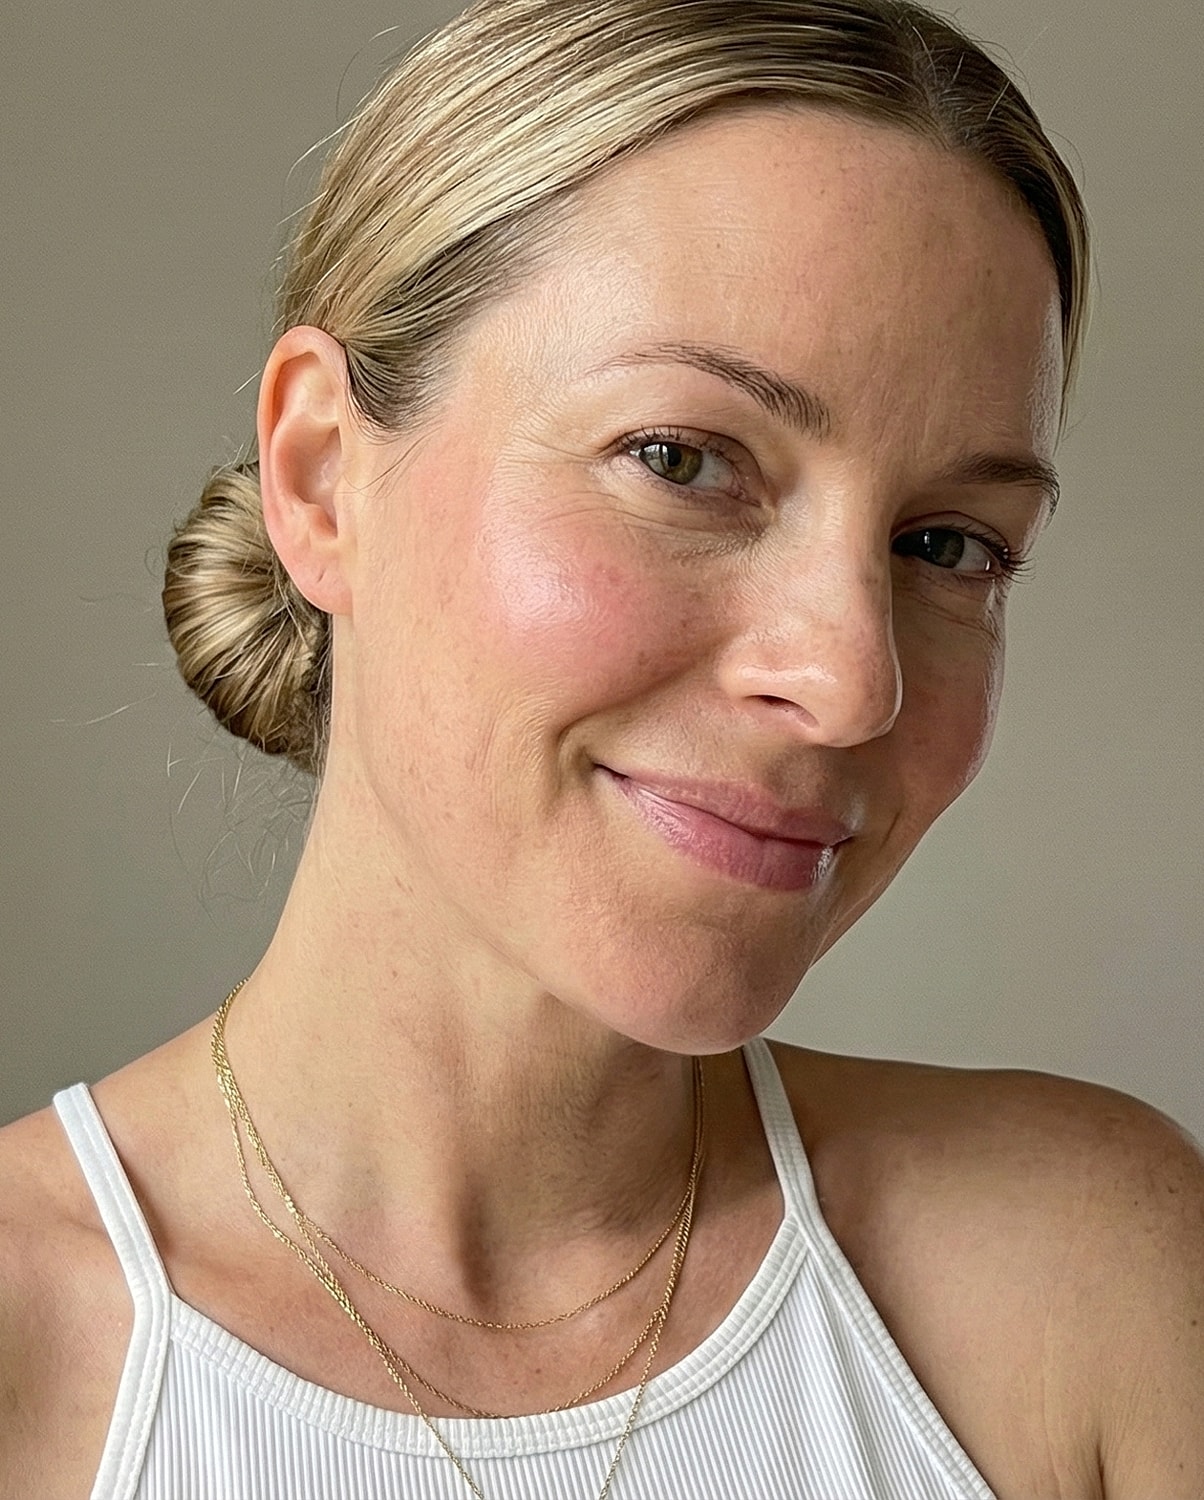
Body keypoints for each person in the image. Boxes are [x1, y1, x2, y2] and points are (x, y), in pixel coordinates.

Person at [2, 0, 1201, 1495]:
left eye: (948, 543)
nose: (847, 682)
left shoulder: (1096, 1289)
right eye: (684, 460)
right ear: (322, 481)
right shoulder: (28, 1352)